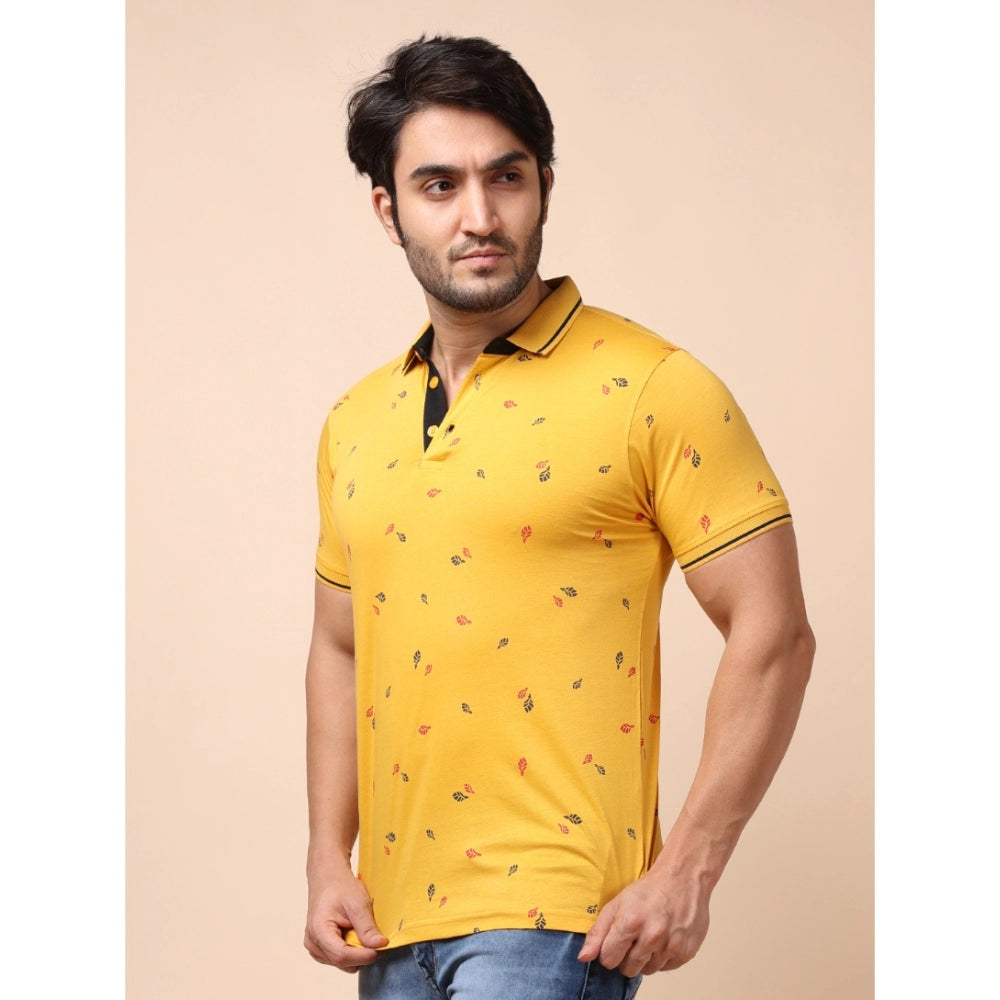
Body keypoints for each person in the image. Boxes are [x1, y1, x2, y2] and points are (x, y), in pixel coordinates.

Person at [303, 34, 814, 1000]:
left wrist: (689, 869)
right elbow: (339, 645)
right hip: (390, 923)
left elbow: (775, 629)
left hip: (552, 921)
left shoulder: (654, 385)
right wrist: (328, 854)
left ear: (544, 184)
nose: (481, 216)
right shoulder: (355, 422)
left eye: (507, 177)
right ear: (388, 209)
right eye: (440, 186)